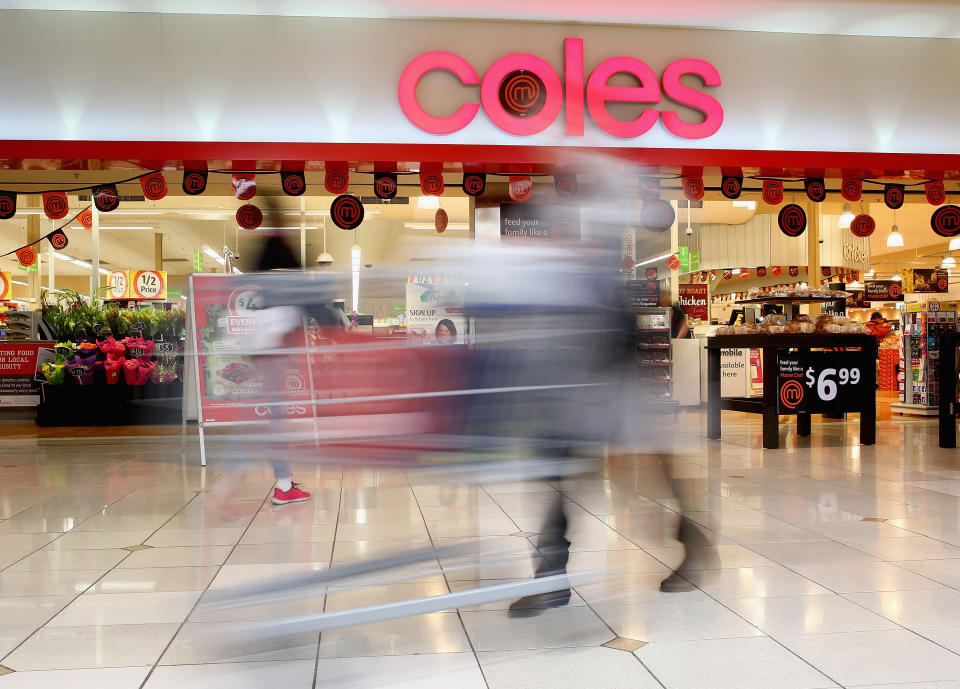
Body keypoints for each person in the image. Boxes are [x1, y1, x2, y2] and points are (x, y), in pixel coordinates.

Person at [254, 230, 312, 506]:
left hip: (266, 358)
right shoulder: (282, 288)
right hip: (274, 358)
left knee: (277, 421)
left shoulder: (263, 289)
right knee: (278, 423)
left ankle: (284, 482)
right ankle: (283, 486)